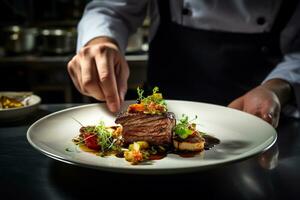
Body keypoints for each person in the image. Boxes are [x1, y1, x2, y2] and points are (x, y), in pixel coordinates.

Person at [67, 0, 300, 127]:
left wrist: (277, 88)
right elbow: (110, 8)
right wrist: (100, 39)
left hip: (261, 119)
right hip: (162, 110)